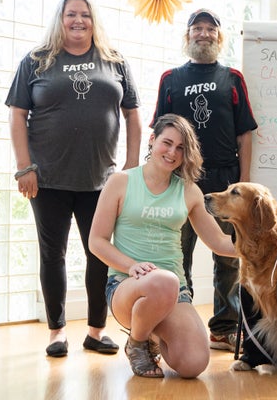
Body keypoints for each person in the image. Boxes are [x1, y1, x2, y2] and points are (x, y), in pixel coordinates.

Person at [5, 0, 142, 357]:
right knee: (53, 255)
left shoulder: (114, 61)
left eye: (85, 14)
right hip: (46, 178)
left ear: (93, 20)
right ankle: (57, 331)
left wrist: (130, 168)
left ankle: (97, 330)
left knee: (100, 255)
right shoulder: (36, 61)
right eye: (71, 15)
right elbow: (18, 114)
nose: (78, 20)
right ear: (60, 19)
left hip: (101, 181)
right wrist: (24, 167)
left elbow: (132, 114)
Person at [89, 114, 238, 378]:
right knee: (164, 281)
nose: (172, 152)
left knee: (193, 364)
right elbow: (96, 242)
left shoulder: (189, 191)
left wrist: (264, 243)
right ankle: (137, 343)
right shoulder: (120, 182)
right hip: (127, 287)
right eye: (167, 143)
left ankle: (152, 336)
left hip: (174, 291)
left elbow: (219, 242)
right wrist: (132, 266)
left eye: (181, 148)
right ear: (152, 140)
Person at [151, 8, 258, 351]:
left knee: (227, 257)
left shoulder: (233, 78)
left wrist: (242, 185)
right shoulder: (171, 78)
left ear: (218, 37)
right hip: (180, 180)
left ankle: (224, 327)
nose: (203, 33)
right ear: (188, 36)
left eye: (210, 29)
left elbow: (245, 134)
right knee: (177, 254)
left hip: (224, 181)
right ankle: (176, 321)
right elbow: (158, 132)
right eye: (197, 28)